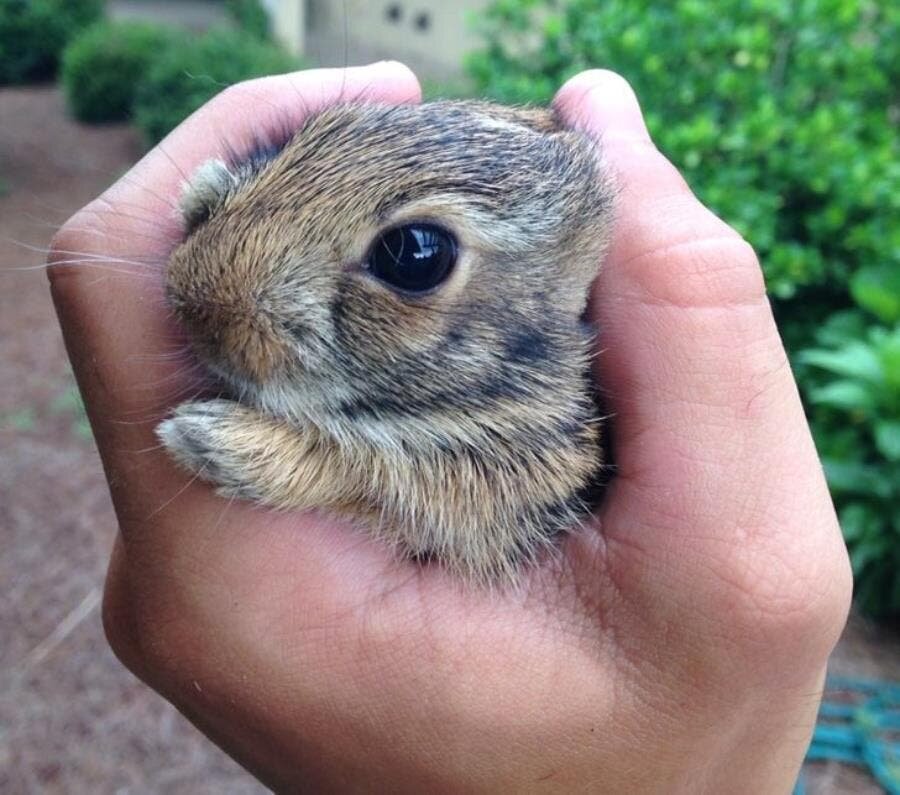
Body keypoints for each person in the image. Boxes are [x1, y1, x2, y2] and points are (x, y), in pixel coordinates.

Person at [49, 63, 851, 792]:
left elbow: (520, 493)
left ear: (564, 275)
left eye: (415, 256)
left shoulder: (538, 411)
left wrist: (326, 467)